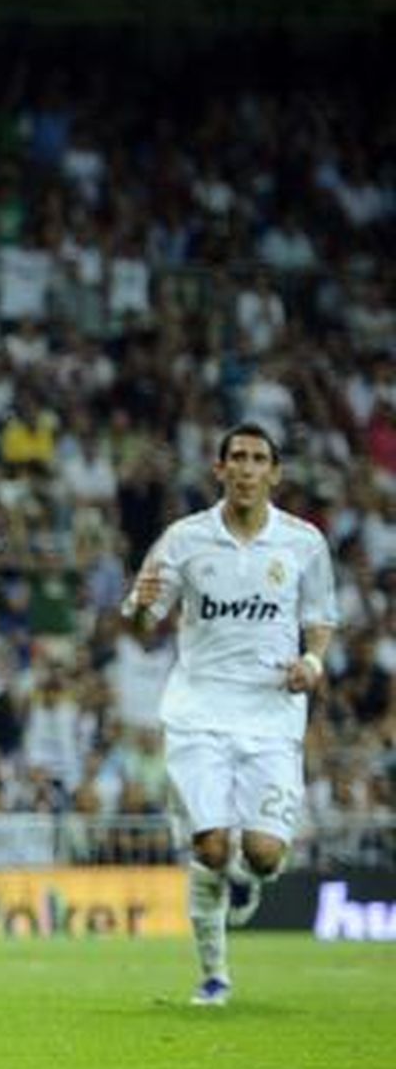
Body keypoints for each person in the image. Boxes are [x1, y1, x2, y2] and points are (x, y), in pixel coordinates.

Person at [125, 423, 336, 1007]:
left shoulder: (303, 543)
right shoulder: (183, 539)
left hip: (272, 716)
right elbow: (145, 620)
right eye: (236, 458)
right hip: (198, 714)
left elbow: (320, 617)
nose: (246, 468)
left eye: (258, 458)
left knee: (264, 857)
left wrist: (313, 662)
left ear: (275, 472)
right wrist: (142, 610)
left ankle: (247, 880)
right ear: (219, 470)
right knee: (213, 847)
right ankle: (214, 976)